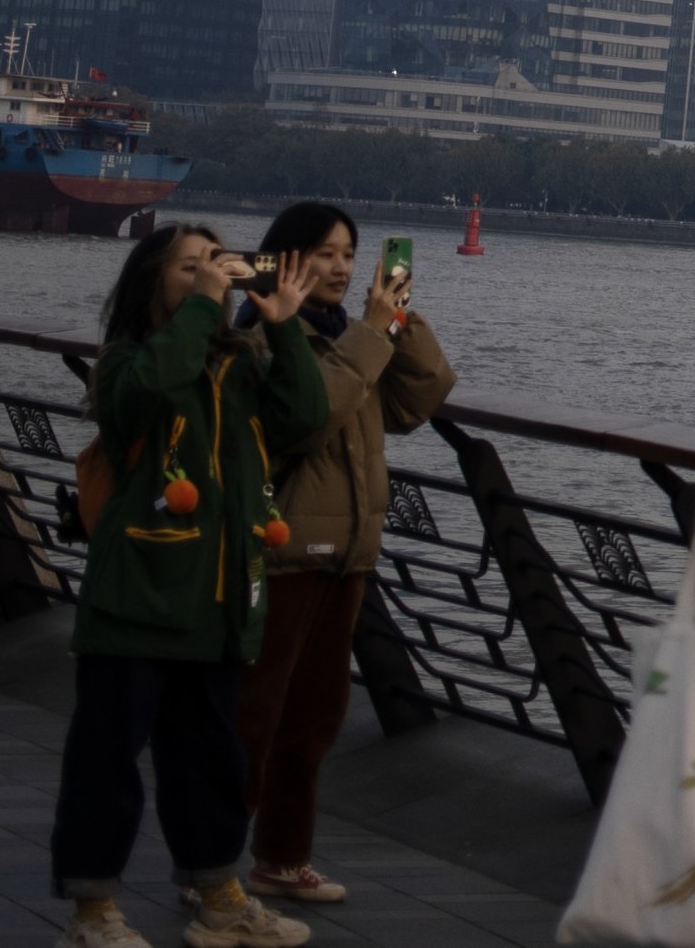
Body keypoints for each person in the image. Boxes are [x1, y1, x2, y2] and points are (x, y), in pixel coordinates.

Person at [54, 220, 331, 948]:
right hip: (138, 598)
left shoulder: (240, 367)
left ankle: (219, 896)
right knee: (107, 761)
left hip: (216, 602)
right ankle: (91, 913)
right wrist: (210, 306)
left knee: (211, 759)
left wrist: (286, 328)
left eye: (217, 263)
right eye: (190, 268)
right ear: (153, 284)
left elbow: (305, 417)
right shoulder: (126, 364)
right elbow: (155, 387)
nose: (211, 275)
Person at [229, 204, 456, 908]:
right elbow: (308, 414)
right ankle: (208, 865)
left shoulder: (347, 337)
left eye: (349, 253)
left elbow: (418, 401)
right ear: (284, 261)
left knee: (316, 713)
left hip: (346, 552)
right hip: (284, 550)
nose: (340, 267)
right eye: (324, 253)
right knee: (255, 715)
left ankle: (282, 858)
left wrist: (396, 325)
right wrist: (367, 334)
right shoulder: (264, 337)